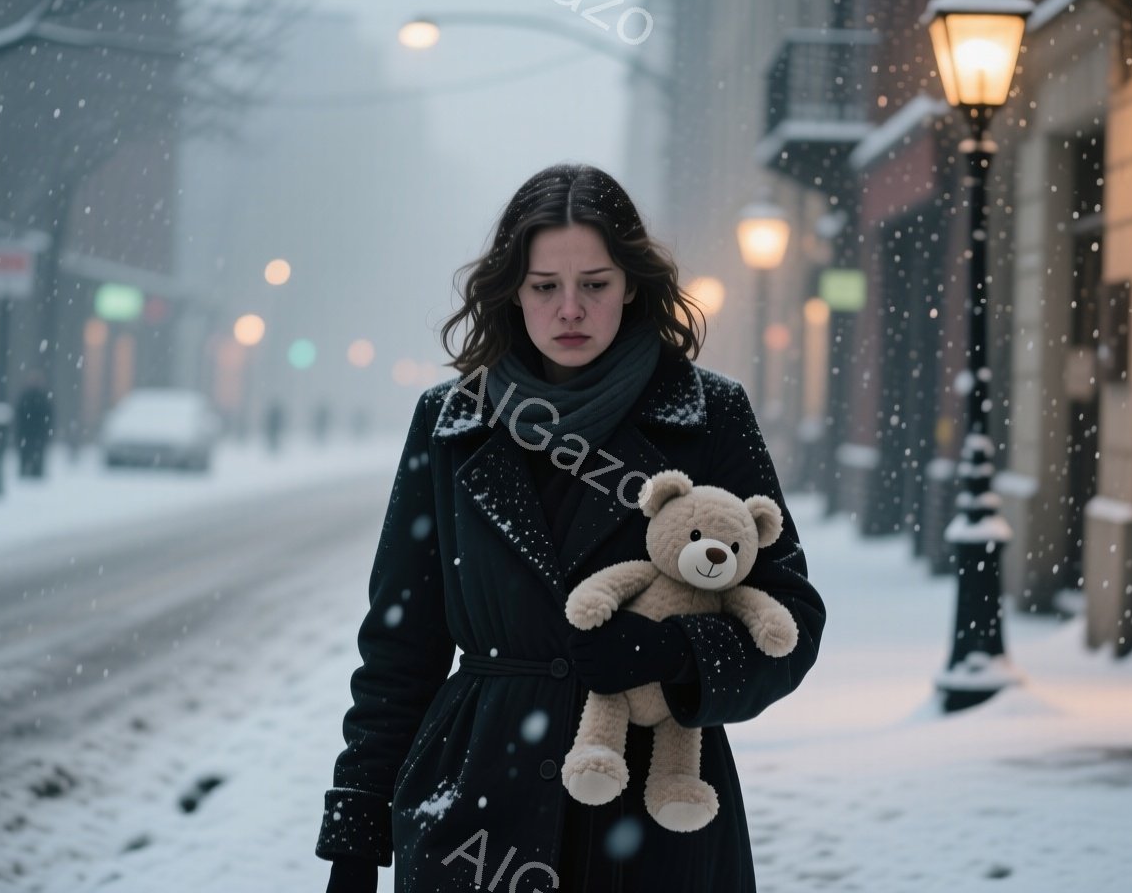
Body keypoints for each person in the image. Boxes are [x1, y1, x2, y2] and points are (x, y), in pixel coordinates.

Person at [315, 163, 826, 892]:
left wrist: (676, 653)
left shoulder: (707, 416)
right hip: (474, 811)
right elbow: (402, 642)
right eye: (544, 287)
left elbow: (790, 617)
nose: (570, 311)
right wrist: (358, 832)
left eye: (595, 284)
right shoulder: (451, 422)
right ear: (512, 293)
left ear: (631, 285)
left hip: (653, 817)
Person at [14, 373, 53, 479]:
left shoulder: (27, 397)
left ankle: (30, 475)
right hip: (33, 434)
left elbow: (19, 416)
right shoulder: (42, 398)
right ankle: (32, 475)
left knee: (30, 458)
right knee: (33, 458)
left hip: (31, 434)